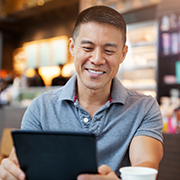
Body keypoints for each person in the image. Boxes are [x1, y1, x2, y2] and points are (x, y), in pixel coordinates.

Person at [0, 5, 163, 180]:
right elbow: (21, 165)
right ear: (72, 48)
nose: (97, 59)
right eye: (87, 48)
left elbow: (145, 168)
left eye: (109, 50)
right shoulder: (41, 107)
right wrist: (11, 174)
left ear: (123, 54)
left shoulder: (144, 107)